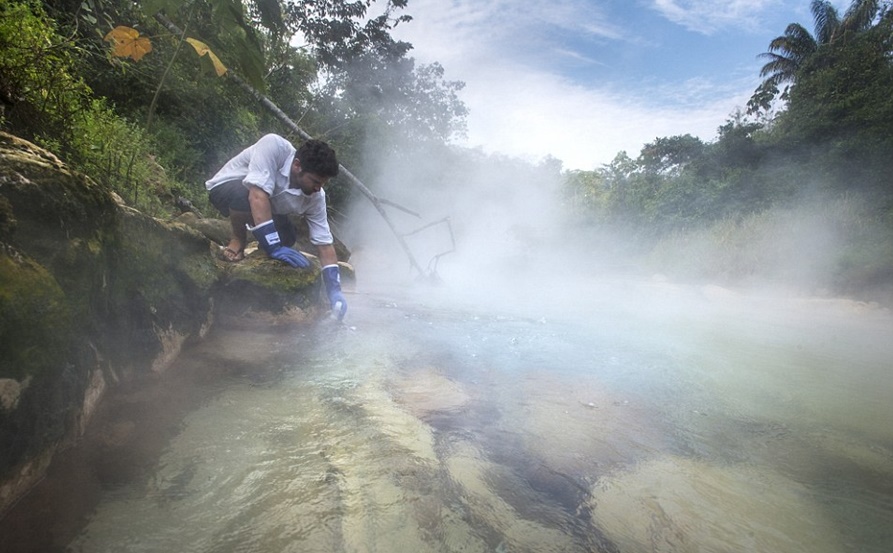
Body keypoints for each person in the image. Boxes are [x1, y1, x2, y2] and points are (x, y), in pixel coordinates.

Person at [206, 133, 347, 319]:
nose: (318, 188)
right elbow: (256, 195)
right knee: (244, 196)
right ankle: (238, 239)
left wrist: (335, 291)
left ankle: (259, 249)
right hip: (227, 187)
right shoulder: (274, 146)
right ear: (297, 166)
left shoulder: (316, 197)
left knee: (287, 238)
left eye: (322, 183)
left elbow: (325, 243)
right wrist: (273, 245)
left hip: (265, 203)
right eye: (315, 181)